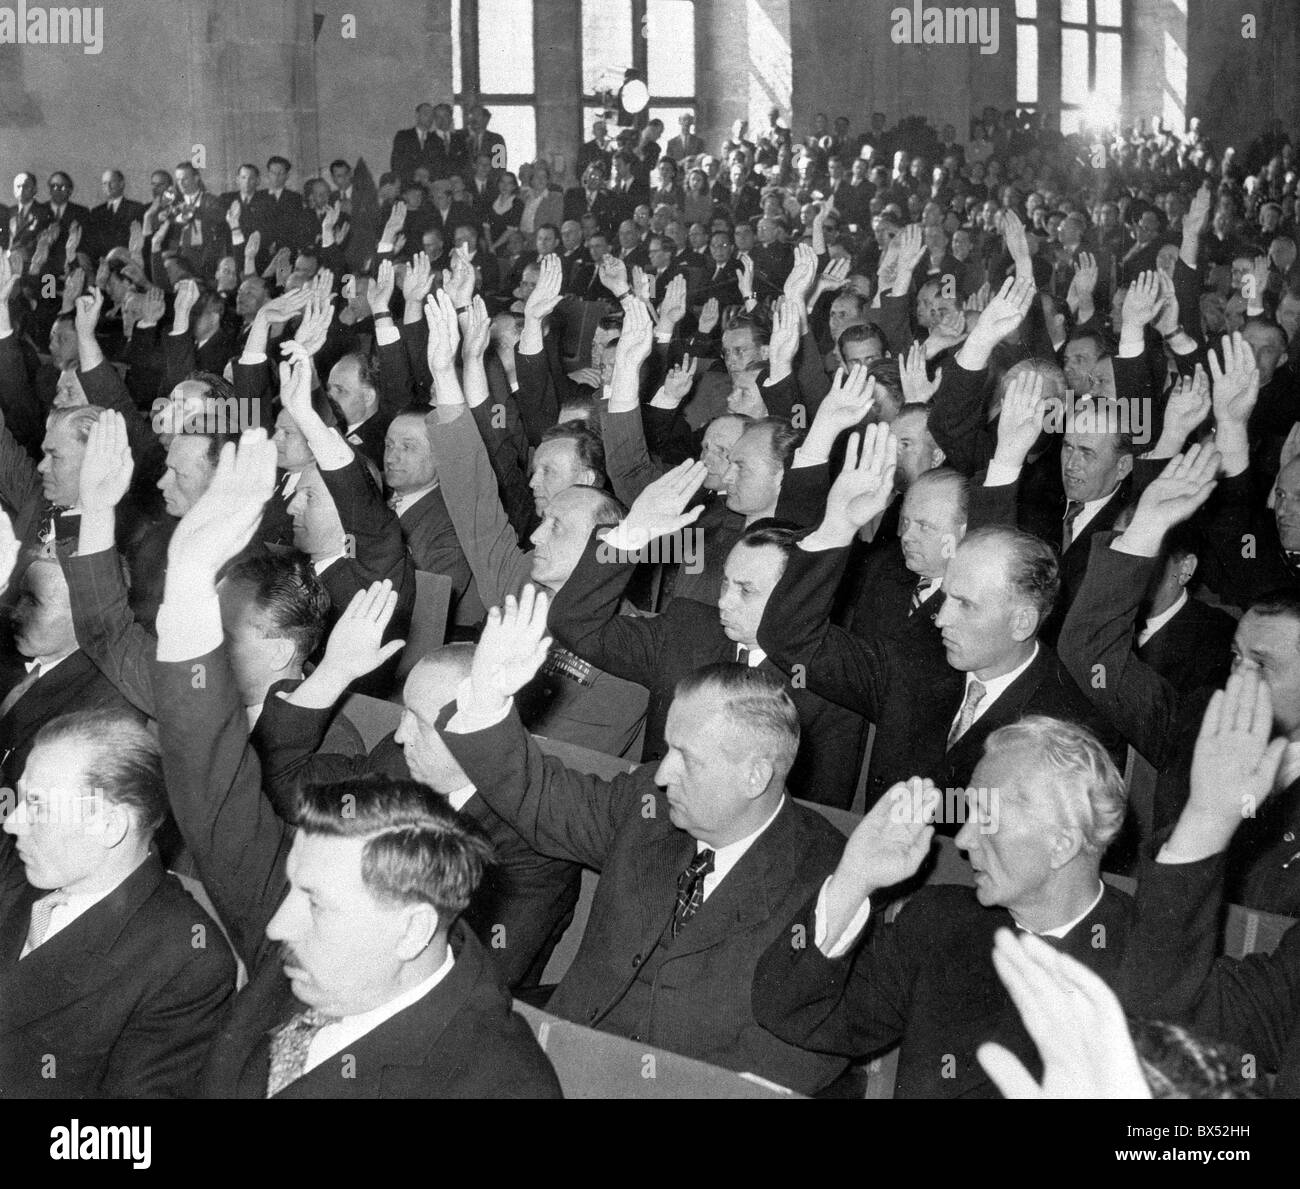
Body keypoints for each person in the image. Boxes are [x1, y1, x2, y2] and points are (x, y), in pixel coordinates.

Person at [148, 426, 561, 1098]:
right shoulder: (347, 871)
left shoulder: (489, 1081)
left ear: (412, 928)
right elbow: (215, 792)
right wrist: (190, 585)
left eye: (311, 902)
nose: (277, 927)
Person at [438, 584, 851, 1095]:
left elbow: (813, 1044)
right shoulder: (646, 807)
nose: (661, 774)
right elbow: (539, 797)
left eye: (687, 758)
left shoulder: (829, 873)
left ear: (755, 777)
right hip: (557, 1071)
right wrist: (488, 694)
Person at [752, 715, 1133, 1098]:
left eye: (987, 819)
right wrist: (854, 880)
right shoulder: (942, 922)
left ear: (1061, 845)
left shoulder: (1158, 965)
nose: (964, 839)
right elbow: (789, 1011)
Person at [1, 707, 236, 1097]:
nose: (11, 822)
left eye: (37, 805)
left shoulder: (186, 965)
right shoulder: (29, 873)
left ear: (109, 826)